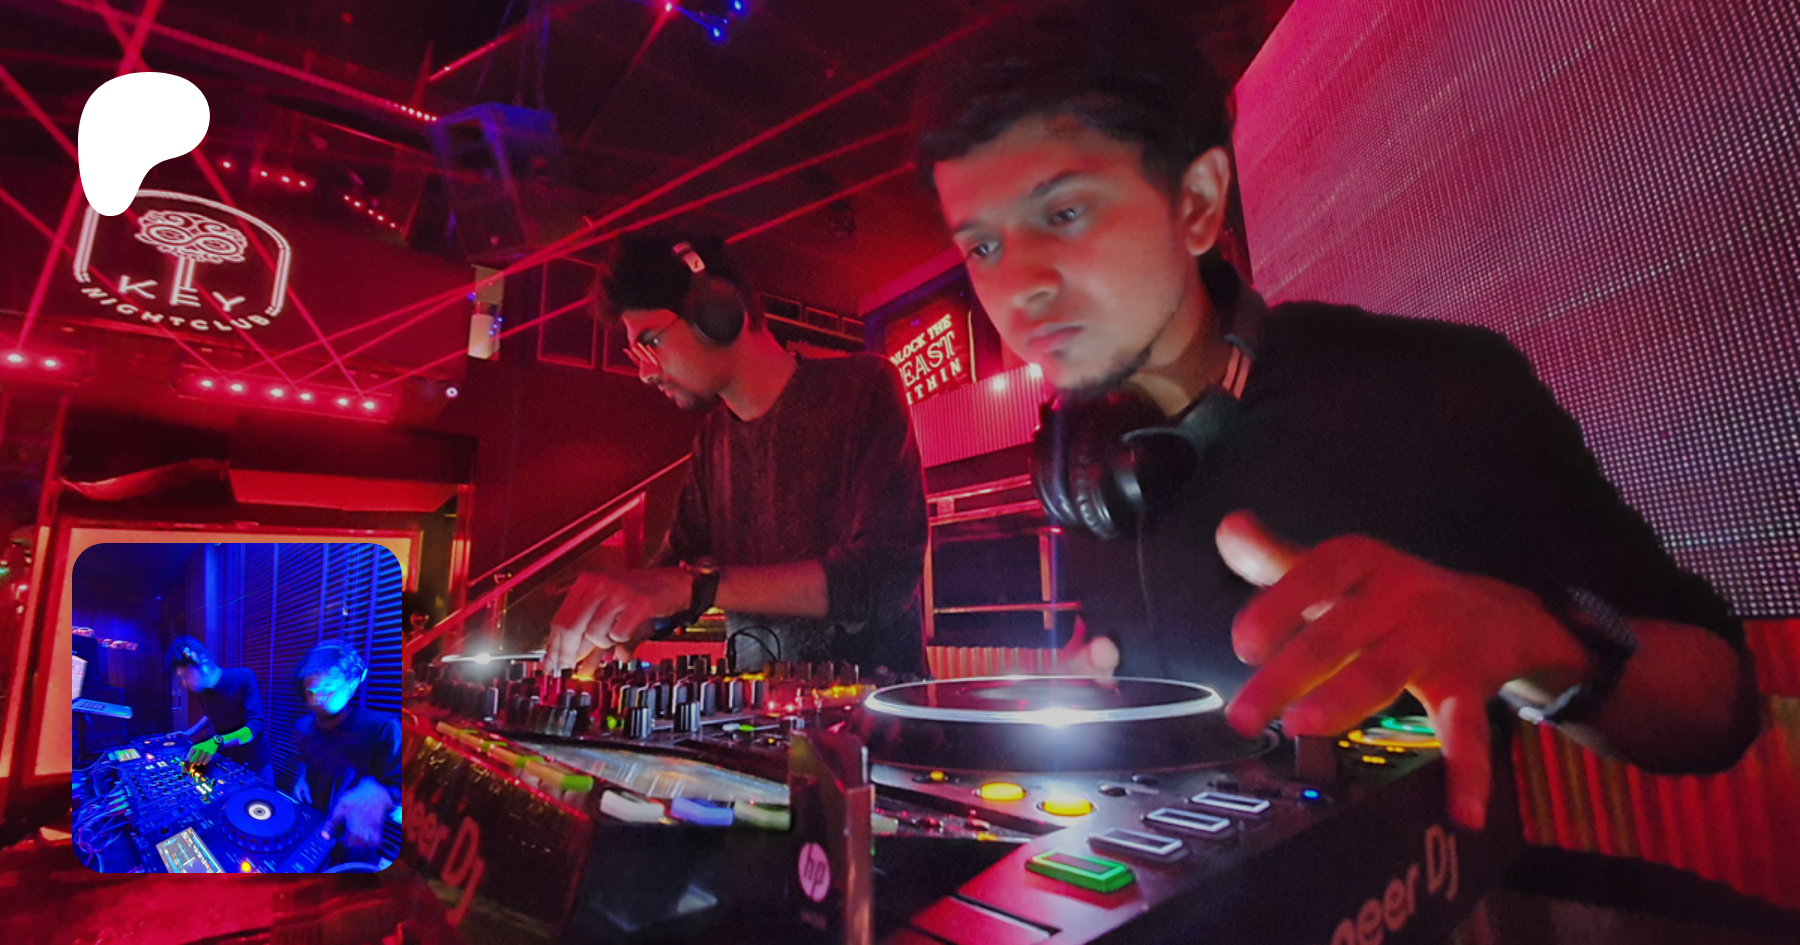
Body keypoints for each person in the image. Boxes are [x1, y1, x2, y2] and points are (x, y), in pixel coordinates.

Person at [910, 0, 1759, 831]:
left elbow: (1721, 704)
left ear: (1197, 201)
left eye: (1064, 212)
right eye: (983, 245)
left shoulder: (1430, 384)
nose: (1018, 287)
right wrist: (1092, 691)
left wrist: (1539, 645)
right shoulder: (1091, 468)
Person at [543, 233, 929, 682]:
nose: (645, 373)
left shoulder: (864, 388)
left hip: (880, 712)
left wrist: (696, 587)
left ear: (717, 313)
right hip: (757, 714)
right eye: (636, 354)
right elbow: (672, 577)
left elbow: (884, 581)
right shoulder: (713, 441)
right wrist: (617, 623)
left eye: (651, 343)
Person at [293, 639, 401, 864]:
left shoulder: (383, 729)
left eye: (327, 690)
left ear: (351, 686)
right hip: (315, 825)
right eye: (311, 692)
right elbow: (305, 756)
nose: (317, 699)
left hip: (356, 841)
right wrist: (302, 777)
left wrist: (382, 796)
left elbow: (400, 792)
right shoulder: (303, 726)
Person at [166, 636, 272, 782]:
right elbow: (210, 714)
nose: (183, 683)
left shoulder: (244, 677)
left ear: (204, 666)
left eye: (185, 676)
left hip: (256, 764)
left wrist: (217, 741)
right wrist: (190, 732)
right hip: (228, 762)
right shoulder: (201, 691)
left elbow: (255, 727)